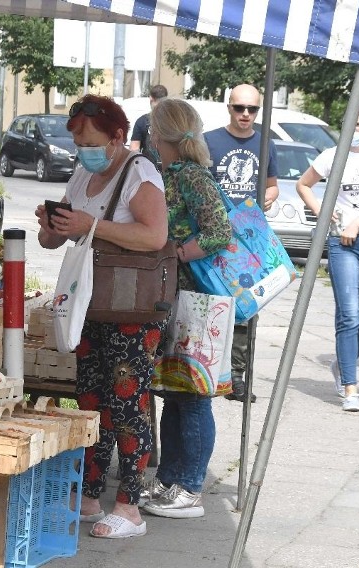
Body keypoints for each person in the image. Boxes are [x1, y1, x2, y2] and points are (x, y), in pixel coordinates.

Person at [35, 94, 168, 539]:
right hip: (89, 304)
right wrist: (53, 227)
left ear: (117, 137)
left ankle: (130, 506)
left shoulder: (139, 173)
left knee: (128, 402)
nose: (83, 152)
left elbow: (154, 236)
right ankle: (89, 495)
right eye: (77, 144)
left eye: (90, 142)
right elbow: (54, 243)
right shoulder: (82, 173)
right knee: (90, 397)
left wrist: (88, 226)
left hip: (131, 308)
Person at [139, 98, 231, 518]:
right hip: (174, 299)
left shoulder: (193, 176)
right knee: (173, 391)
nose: (150, 138)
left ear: (163, 135)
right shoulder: (164, 173)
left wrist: (177, 254)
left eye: (154, 132)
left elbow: (219, 232)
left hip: (198, 302)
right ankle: (169, 480)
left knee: (192, 395)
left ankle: (190, 485)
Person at [296, 102, 359, 412]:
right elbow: (304, 185)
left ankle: (344, 362)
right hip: (342, 244)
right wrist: (325, 214)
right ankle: (349, 386)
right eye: (348, 125)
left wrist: (357, 222)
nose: (353, 131)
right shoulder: (331, 156)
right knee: (349, 315)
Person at [203, 84, 279, 403]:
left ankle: (237, 377)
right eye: (240, 108)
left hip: (251, 239)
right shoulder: (210, 141)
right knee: (213, 304)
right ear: (229, 108)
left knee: (248, 306)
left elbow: (272, 187)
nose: (246, 114)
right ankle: (205, 370)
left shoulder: (265, 143)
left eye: (252, 109)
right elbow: (201, 188)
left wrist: (265, 201)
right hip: (218, 236)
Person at [130, 85, 168, 169]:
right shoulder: (175, 120)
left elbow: (134, 150)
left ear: (151, 98)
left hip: (149, 170)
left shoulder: (142, 121)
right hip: (173, 170)